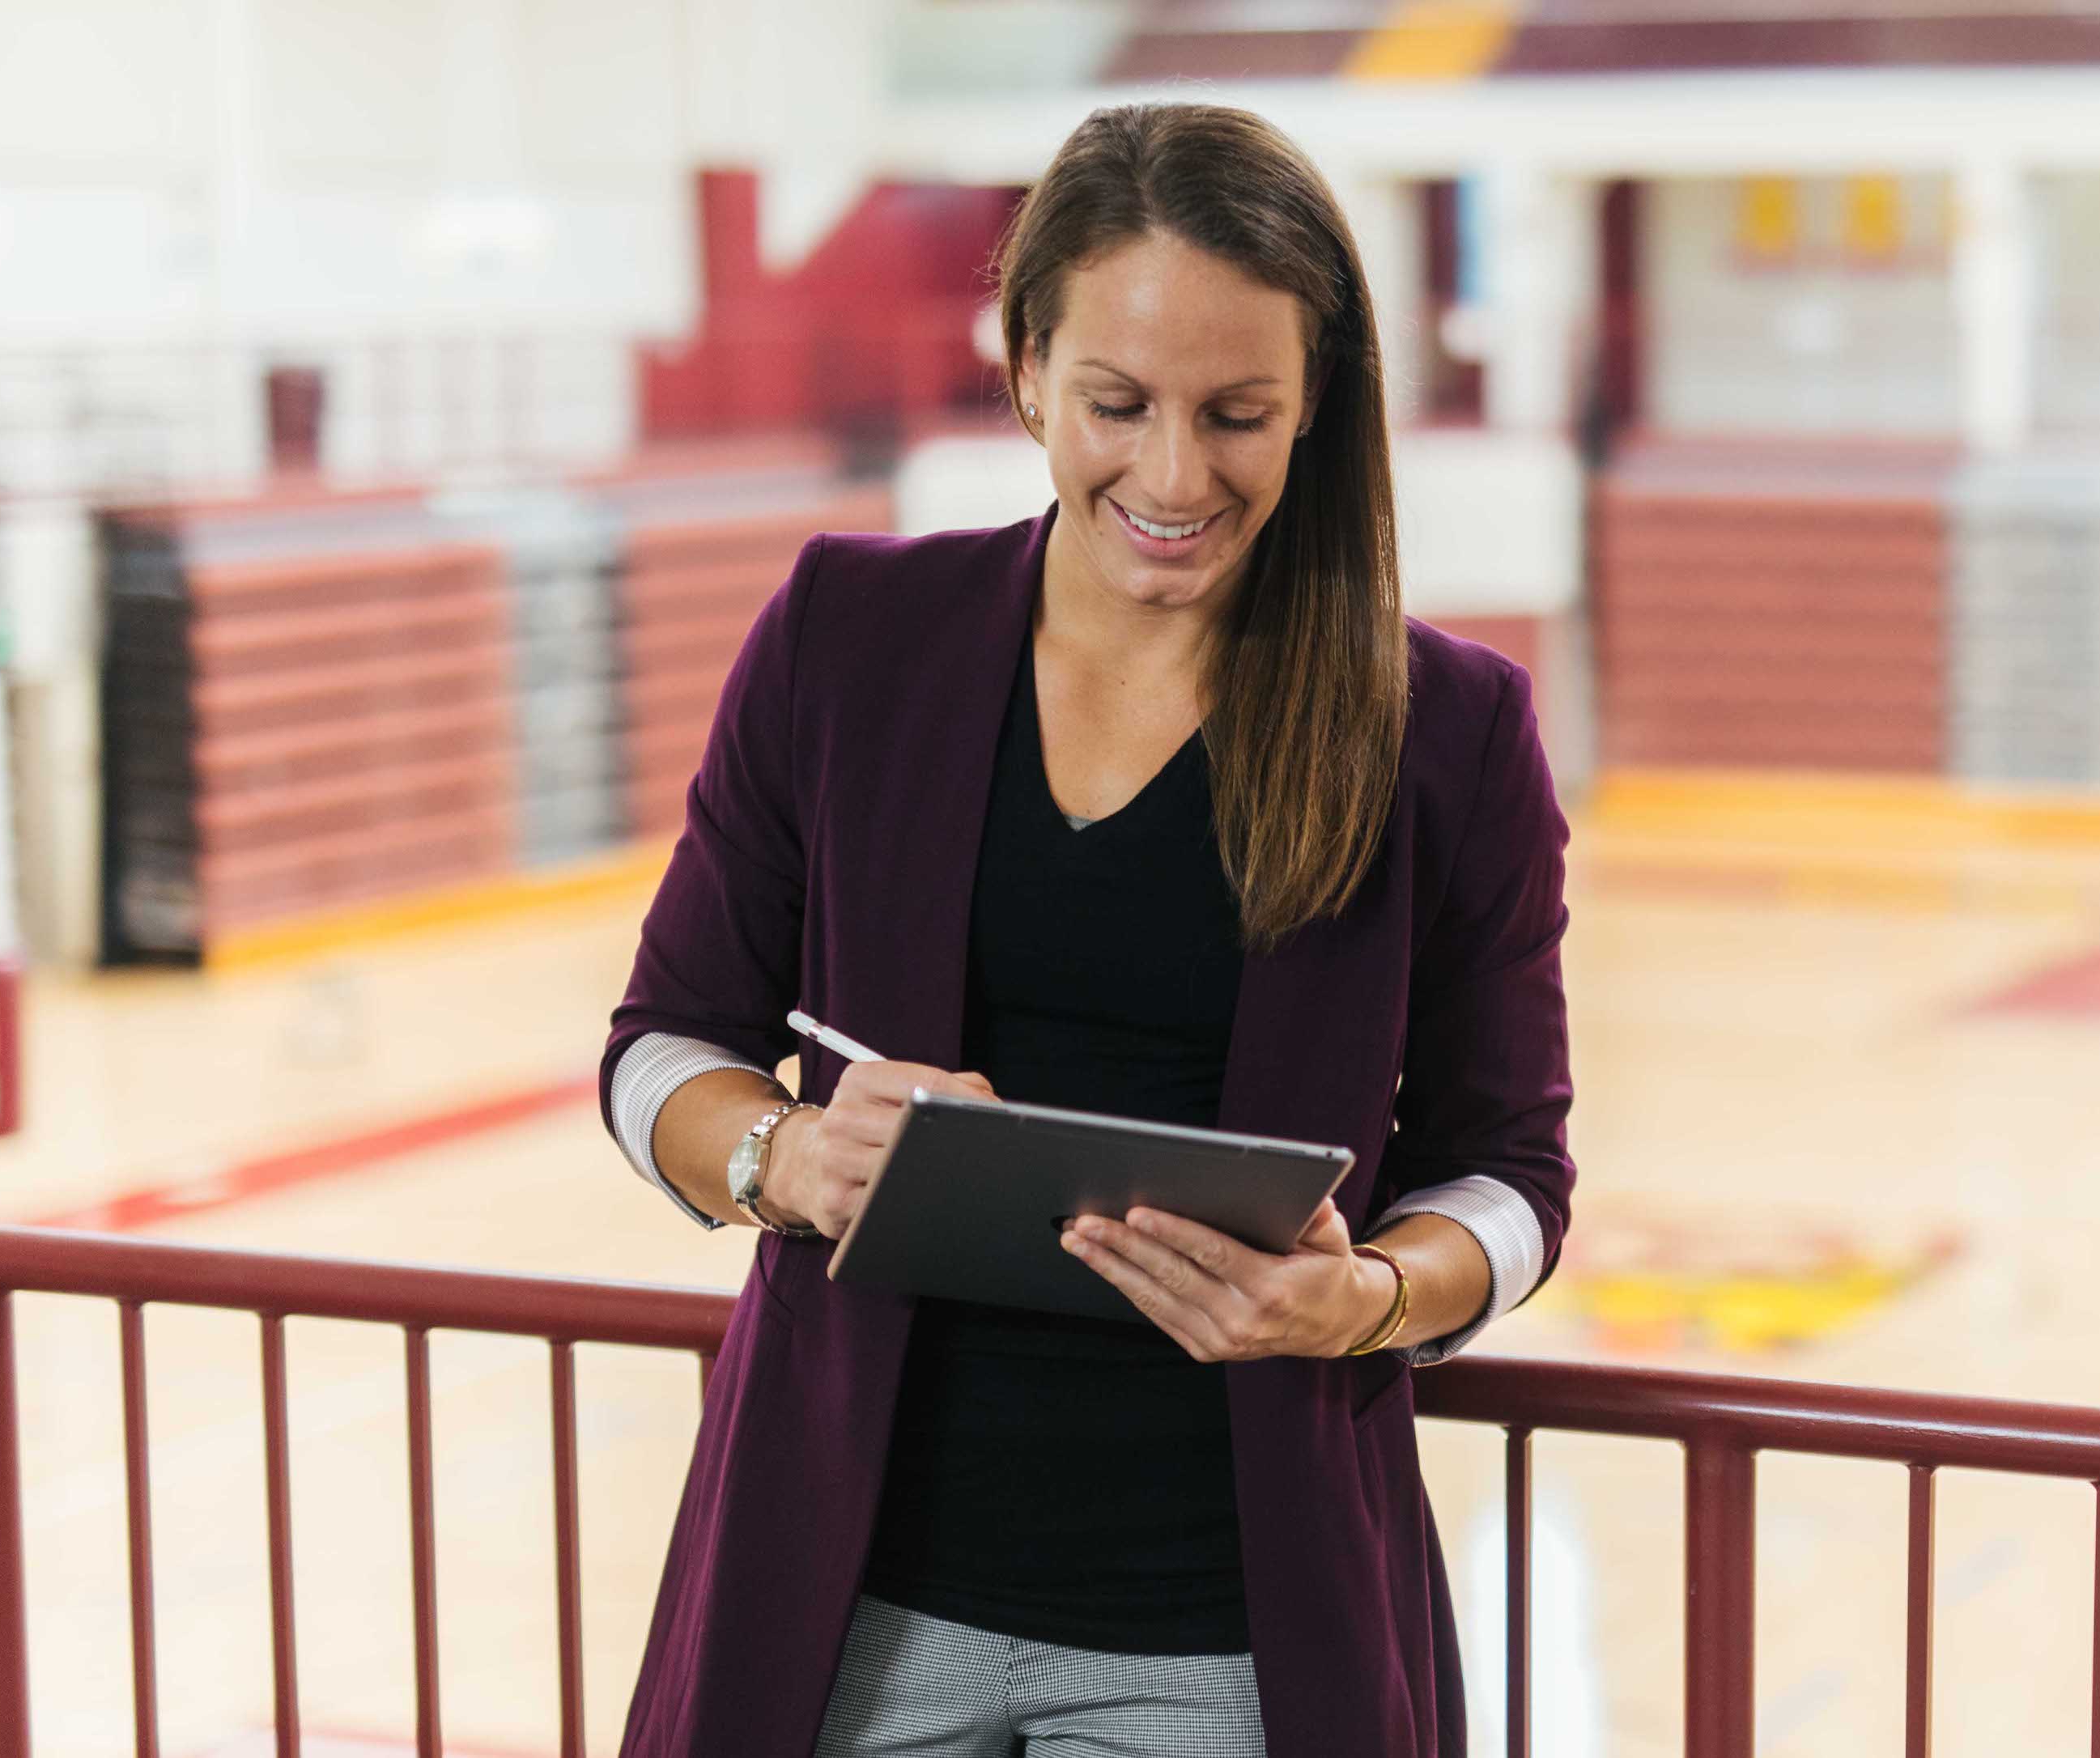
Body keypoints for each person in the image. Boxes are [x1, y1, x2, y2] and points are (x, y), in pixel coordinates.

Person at [597, 102, 1575, 1758]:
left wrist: (1376, 1299)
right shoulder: (849, 636)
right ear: (1028, 365)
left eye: (1240, 415)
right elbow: (662, 1050)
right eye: (1119, 405)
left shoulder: (1447, 729)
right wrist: (783, 1157)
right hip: (844, 1598)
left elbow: (1512, 1177)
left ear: (1318, 402)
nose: (1176, 477)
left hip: (1223, 1642)